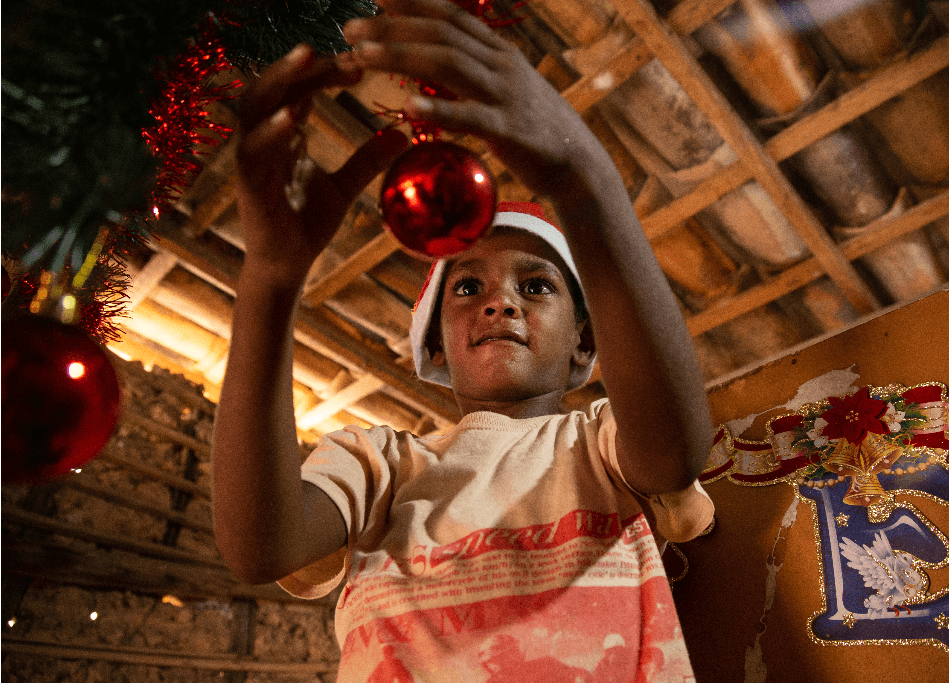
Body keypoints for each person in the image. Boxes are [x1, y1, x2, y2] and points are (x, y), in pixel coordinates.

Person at [212, 0, 715, 680]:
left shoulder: (601, 444)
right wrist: (269, 281)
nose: (501, 299)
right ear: (437, 347)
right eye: (468, 287)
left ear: (581, 345)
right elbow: (260, 546)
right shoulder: (379, 465)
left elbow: (675, 448)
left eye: (537, 286)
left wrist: (584, 178)